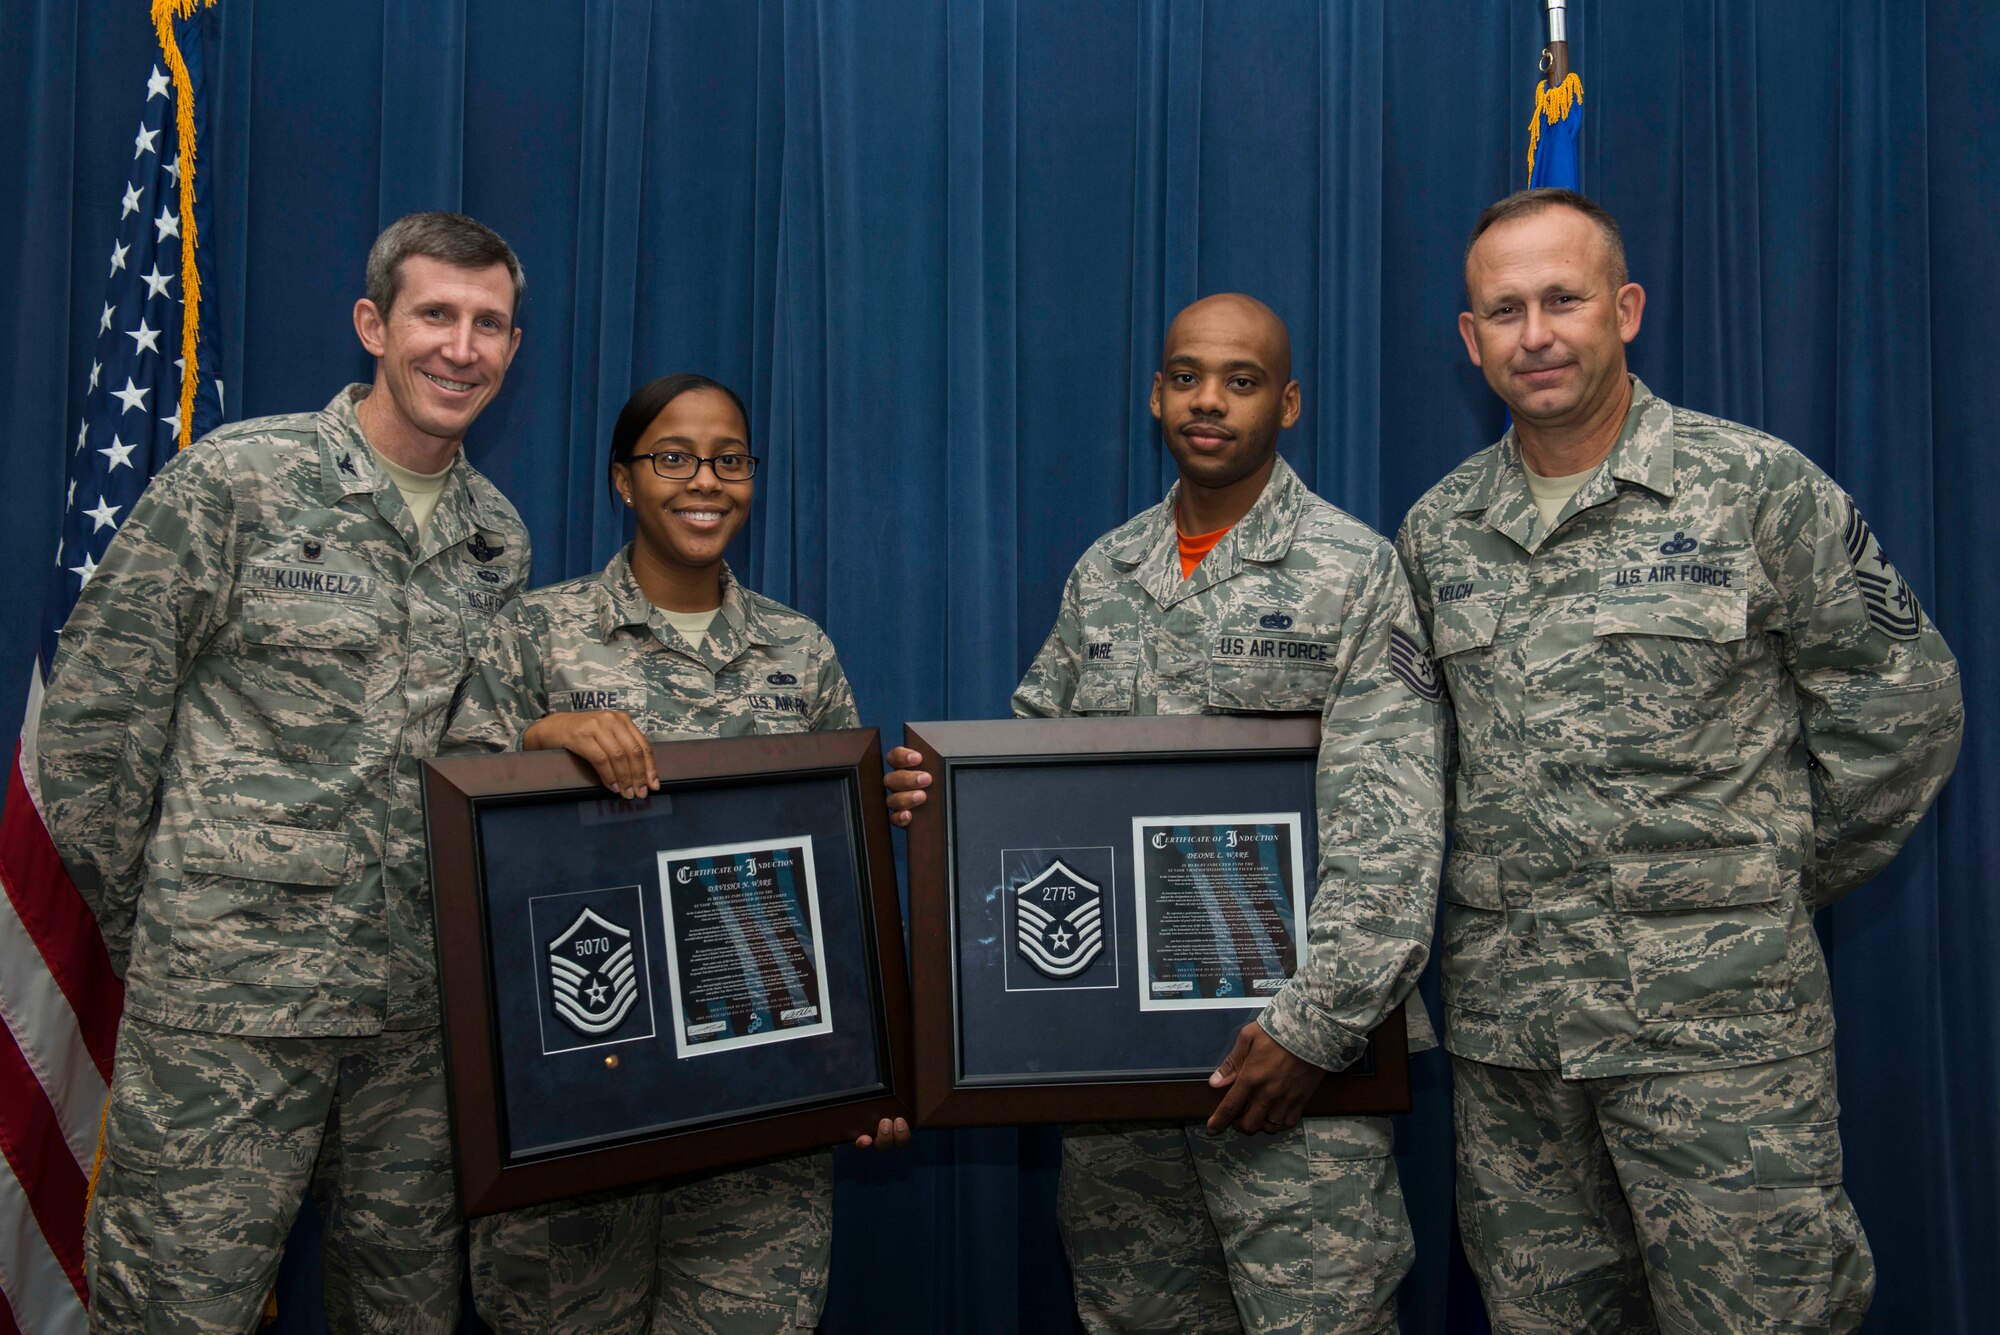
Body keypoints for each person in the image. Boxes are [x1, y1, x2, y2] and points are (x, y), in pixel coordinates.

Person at [1394, 188, 1964, 1333]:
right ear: (1469, 340)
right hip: (1518, 1054)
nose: (1535, 334)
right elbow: (1406, 775)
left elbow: (1900, 706)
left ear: (1625, 308)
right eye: (1502, 311)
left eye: (1562, 299)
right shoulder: (1434, 530)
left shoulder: (1754, 487)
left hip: (1719, 1040)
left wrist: (1753, 882)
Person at [887, 294, 1445, 1334]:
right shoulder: (1106, 571)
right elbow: (1025, 776)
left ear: (1287, 403)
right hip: (1115, 1082)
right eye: (1186, 376)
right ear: (1154, 395)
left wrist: (1310, 1031)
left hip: (1291, 1073)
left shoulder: (1353, 572)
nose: (1208, 401)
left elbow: (1393, 834)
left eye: (1240, 381)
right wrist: (940, 803)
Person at [37, 211, 533, 1332]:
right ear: (373, 324)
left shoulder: (498, 541)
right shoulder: (238, 485)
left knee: (403, 1316)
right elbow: (90, 737)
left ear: (513, 346)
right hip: (228, 1022)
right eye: (435, 315)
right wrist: (180, 921)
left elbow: (476, 768)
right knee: (179, 1312)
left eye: (489, 324)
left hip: (412, 1028)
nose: (461, 348)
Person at [446, 372, 908, 1334]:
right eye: (673, 457)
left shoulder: (800, 651)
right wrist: (541, 743)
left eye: (729, 459)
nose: (706, 480)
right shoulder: (533, 635)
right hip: (573, 1106)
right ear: (623, 479)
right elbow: (450, 843)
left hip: (759, 1125)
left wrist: (881, 1067)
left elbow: (837, 886)